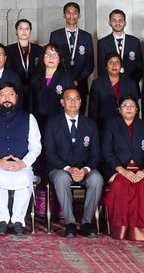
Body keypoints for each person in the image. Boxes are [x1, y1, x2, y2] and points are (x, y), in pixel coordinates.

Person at [0, 83, 41, 235]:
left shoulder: (29, 118)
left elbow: (36, 146)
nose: (7, 98)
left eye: (10, 94)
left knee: (25, 178)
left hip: (22, 164)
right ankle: (1, 219)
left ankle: (18, 220)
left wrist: (24, 163)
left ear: (17, 97)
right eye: (3, 94)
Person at [100, 94, 144, 240]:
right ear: (119, 109)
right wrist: (122, 170)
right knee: (122, 186)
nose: (129, 108)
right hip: (119, 170)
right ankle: (122, 230)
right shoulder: (111, 125)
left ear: (137, 109)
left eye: (132, 105)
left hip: (143, 169)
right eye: (125, 105)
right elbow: (107, 152)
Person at [45, 88, 103, 237]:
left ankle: (86, 222)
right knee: (62, 178)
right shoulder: (52, 123)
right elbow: (50, 153)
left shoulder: (90, 124)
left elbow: (96, 154)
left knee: (97, 179)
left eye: (76, 99)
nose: (72, 102)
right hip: (60, 168)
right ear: (62, 102)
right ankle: (70, 222)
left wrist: (85, 170)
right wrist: (68, 169)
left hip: (84, 168)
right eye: (69, 99)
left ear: (81, 102)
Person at [49, 2, 94, 98]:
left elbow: (89, 64)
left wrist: (78, 80)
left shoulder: (86, 37)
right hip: (60, 82)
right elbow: (52, 60)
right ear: (64, 15)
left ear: (79, 15)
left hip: (81, 84)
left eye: (75, 13)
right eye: (68, 13)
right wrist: (65, 79)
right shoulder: (55, 35)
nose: (71, 16)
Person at [87, 52, 139, 127]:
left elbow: (136, 108)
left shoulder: (131, 83)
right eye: (111, 62)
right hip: (103, 125)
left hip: (126, 125)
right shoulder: (97, 83)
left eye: (117, 62)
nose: (114, 65)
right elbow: (93, 110)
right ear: (106, 66)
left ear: (121, 66)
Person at [31, 43, 76, 128]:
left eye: (55, 55)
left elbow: (70, 103)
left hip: (59, 123)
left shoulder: (66, 78)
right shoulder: (35, 78)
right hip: (38, 122)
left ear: (59, 59)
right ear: (43, 58)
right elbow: (31, 103)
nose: (51, 58)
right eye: (48, 54)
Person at [97, 9, 143, 83]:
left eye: (120, 20)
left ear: (125, 23)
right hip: (110, 86)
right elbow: (101, 69)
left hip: (131, 85)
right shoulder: (102, 43)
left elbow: (139, 67)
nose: (117, 23)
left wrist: (132, 82)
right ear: (110, 23)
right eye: (114, 20)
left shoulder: (135, 42)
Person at [6, 19, 43, 106]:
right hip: (15, 88)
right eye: (21, 28)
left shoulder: (39, 49)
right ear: (16, 31)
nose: (24, 31)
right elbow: (7, 70)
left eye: (27, 28)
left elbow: (42, 70)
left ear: (30, 31)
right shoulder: (8, 50)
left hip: (34, 89)